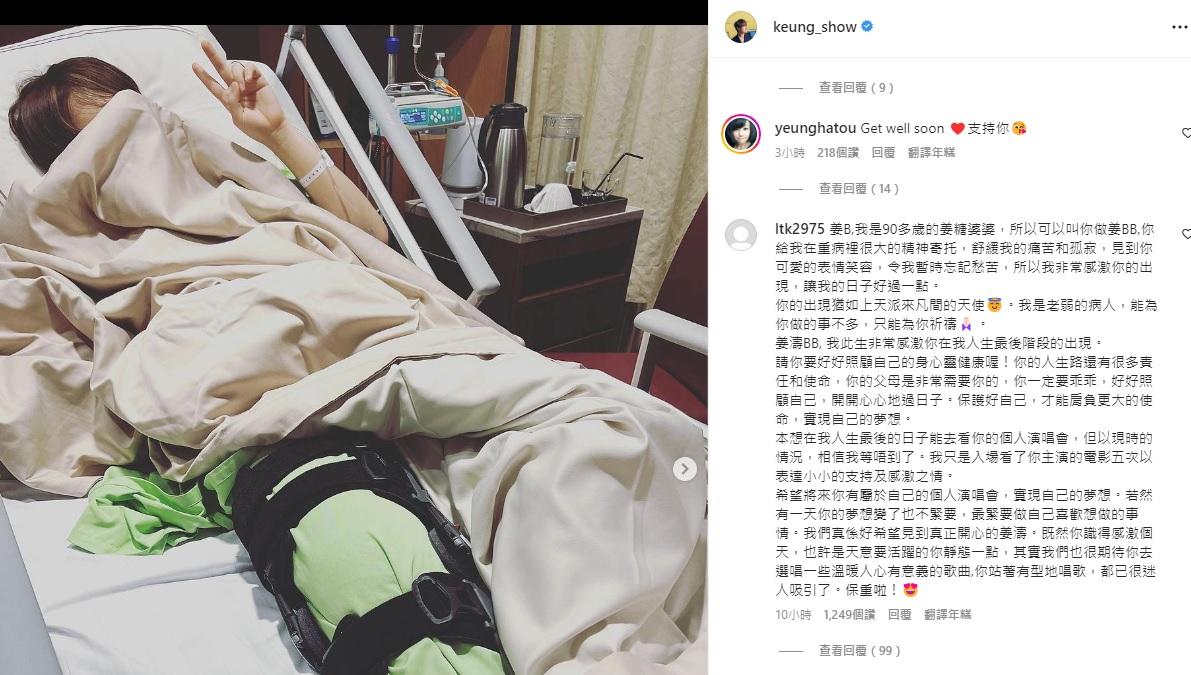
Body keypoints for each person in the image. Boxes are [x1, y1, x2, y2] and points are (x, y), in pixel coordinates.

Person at [6, 41, 389, 243]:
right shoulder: (80, 241)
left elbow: (371, 237)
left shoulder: (238, 172)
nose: (136, 140)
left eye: (134, 116)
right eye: (104, 140)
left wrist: (278, 135)